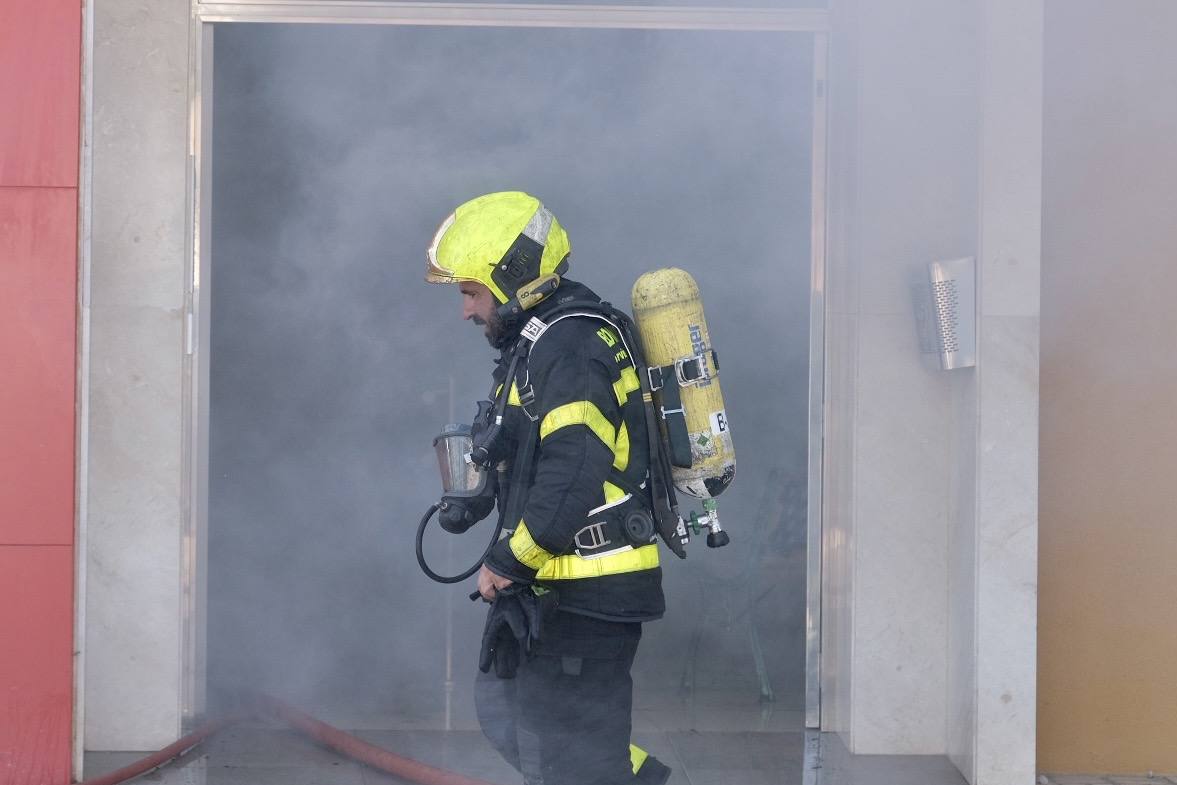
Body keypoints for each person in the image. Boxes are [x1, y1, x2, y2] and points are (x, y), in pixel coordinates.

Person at [425, 191, 672, 785]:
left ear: (509, 278)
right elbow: (519, 442)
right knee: (509, 712)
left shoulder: (570, 344)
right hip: (551, 587)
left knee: (573, 759)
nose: (465, 311)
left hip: (588, 594)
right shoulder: (538, 341)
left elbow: (573, 466)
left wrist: (508, 560)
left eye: (469, 292)